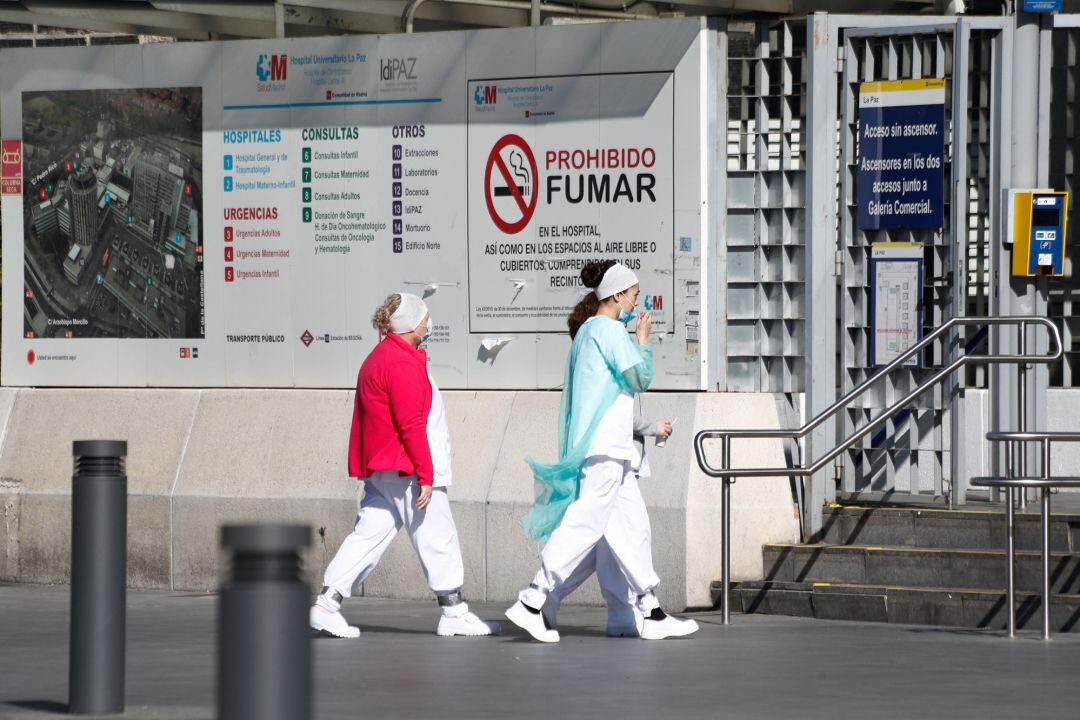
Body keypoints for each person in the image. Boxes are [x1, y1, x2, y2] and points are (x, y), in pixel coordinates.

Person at [505, 261, 698, 642]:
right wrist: (642, 340)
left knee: (633, 529)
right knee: (585, 524)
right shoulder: (608, 331)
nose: (638, 301)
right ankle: (532, 599)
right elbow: (640, 377)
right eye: (635, 294)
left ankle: (650, 609)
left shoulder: (589, 333)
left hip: (613, 449)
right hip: (607, 447)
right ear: (617, 295)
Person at [310, 292, 501, 639]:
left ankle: (327, 603)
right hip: (408, 469)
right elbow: (411, 424)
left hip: (384, 470)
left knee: (368, 536)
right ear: (413, 323)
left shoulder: (378, 357)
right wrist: (426, 475)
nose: (429, 324)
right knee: (436, 534)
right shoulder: (403, 362)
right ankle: (453, 609)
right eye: (426, 318)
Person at [541, 399, 673, 637]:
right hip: (613, 463)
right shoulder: (617, 367)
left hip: (617, 462)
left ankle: (550, 595)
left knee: (606, 543)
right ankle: (631, 611)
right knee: (624, 536)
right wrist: (654, 427)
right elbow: (620, 415)